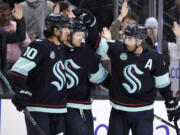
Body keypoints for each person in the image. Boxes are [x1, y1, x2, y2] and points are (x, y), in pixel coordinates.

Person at [91, 23, 180, 135]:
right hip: (119, 111)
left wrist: (170, 102)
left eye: (130, 39)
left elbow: (163, 85)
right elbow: (95, 42)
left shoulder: (154, 58)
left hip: (143, 113)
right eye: (125, 37)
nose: (126, 41)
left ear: (140, 41)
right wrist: (91, 23)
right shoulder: (118, 50)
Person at [7, 13, 71, 135]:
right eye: (66, 27)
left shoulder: (62, 50)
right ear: (56, 30)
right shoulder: (39, 46)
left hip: (59, 110)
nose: (68, 31)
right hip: (39, 109)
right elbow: (15, 72)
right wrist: (21, 91)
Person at [63, 18, 108, 135]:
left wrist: (117, 89)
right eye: (78, 34)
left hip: (80, 107)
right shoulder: (55, 50)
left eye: (82, 35)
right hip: (64, 108)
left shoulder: (86, 50)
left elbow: (100, 77)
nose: (81, 38)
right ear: (68, 34)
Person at [0, 2, 31, 69]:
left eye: (8, 15)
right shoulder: (1, 31)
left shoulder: (16, 25)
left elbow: (23, 40)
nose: (6, 18)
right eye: (3, 15)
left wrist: (20, 20)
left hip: (17, 64)